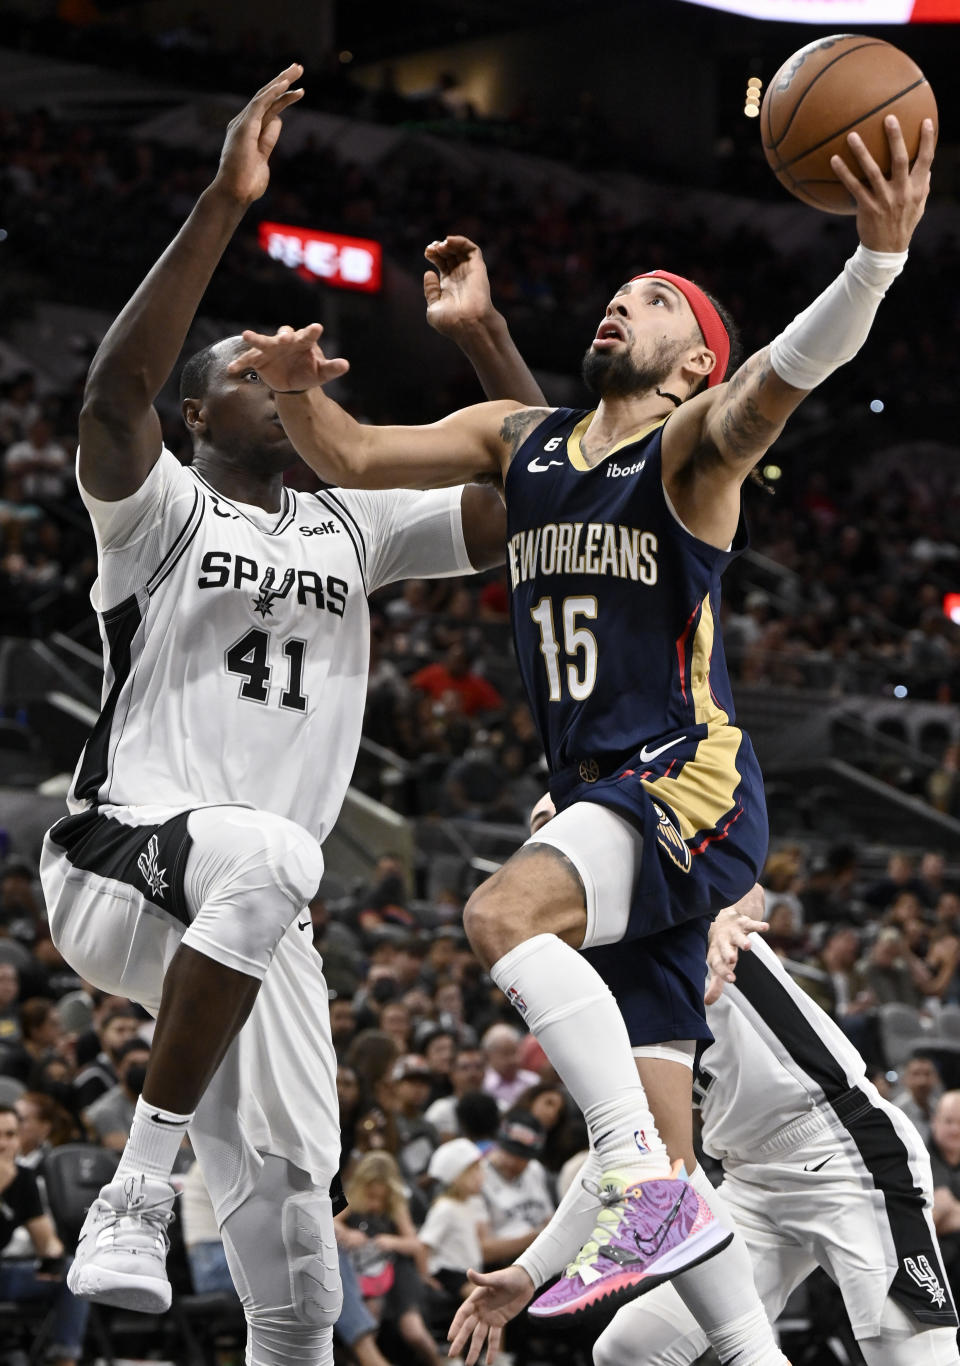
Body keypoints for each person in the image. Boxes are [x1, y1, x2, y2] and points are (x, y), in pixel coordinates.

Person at [232, 110, 934, 1325]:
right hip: (607, 793)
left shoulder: (691, 452)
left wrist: (873, 262)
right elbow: (345, 453)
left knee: (499, 911)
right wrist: (297, 392)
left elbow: (786, 376)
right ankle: (660, 1206)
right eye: (618, 291)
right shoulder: (527, 442)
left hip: (684, 777)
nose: (623, 303)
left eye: (656, 300)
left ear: (693, 361)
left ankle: (636, 1188)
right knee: (673, 1163)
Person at [36, 63, 507, 1365]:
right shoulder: (159, 511)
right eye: (248, 368)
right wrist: (224, 199)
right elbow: (106, 399)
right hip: (124, 861)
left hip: (258, 915)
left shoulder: (354, 520)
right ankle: (137, 1188)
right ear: (200, 414)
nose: (278, 372)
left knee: (302, 1248)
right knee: (275, 851)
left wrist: (478, 341)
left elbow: (535, 499)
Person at [449, 892, 959, 1366]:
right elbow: (625, 1159)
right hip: (748, 1181)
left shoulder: (663, 902)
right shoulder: (590, 1000)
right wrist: (530, 1271)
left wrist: (726, 915)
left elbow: (742, 877)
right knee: (627, 1350)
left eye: (554, 831)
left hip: (842, 1146)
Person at [0, 1104, 89, 1366]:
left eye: (10, 1135)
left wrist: (53, 1257)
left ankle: (63, 1358)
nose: (4, 1144)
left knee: (71, 1272)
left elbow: (45, 1240)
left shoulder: (23, 1178)